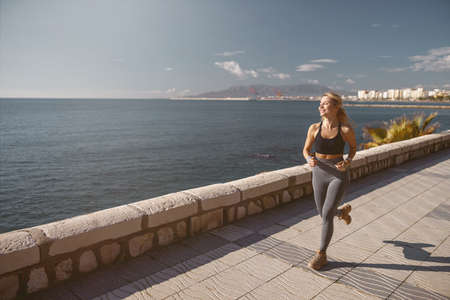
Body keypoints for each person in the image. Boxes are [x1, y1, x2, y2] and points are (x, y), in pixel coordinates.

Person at [302, 92, 357, 270]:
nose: (321, 107)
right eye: (320, 104)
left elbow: (354, 148)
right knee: (322, 212)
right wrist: (308, 159)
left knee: (326, 215)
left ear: (336, 107)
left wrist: (347, 161)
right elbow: (306, 149)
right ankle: (341, 213)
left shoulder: (345, 130)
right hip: (318, 172)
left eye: (325, 104)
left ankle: (321, 254)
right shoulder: (313, 128)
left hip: (337, 174)